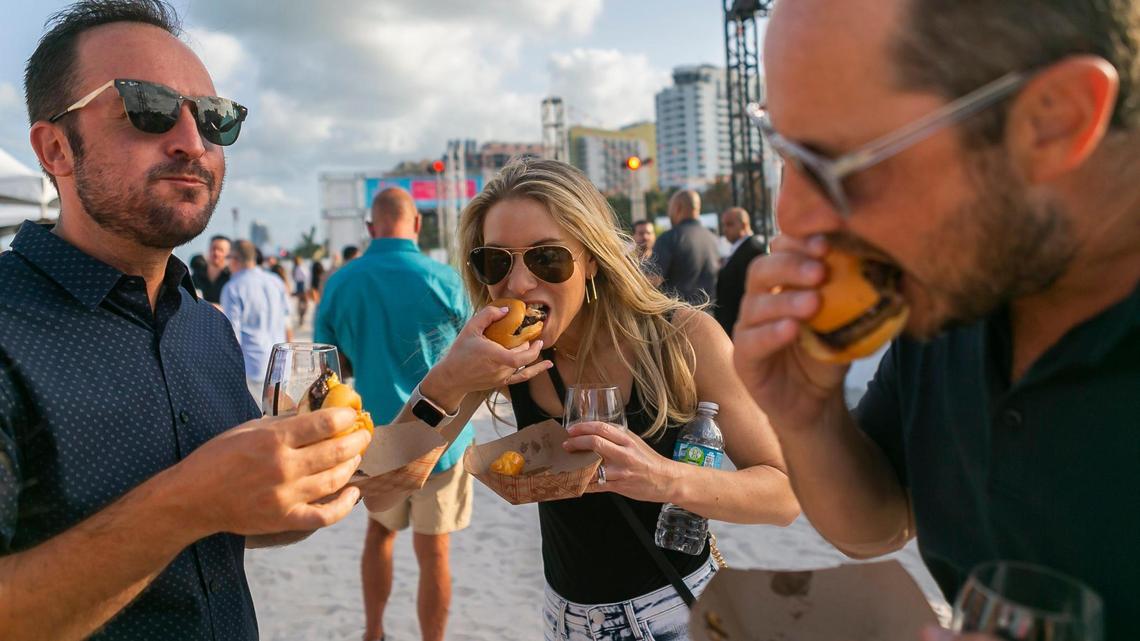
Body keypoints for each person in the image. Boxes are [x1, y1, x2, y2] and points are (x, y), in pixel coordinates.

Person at [733, 1, 1140, 640]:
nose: (793, 218)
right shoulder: (960, 274)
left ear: (1057, 120)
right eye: (784, 154)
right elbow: (883, 521)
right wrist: (808, 418)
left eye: (838, 166)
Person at [0, 2, 370, 640]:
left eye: (213, 118)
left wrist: (434, 409)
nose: (192, 142)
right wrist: (184, 504)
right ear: (56, 147)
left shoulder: (205, 328)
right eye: (147, 108)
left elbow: (236, 518)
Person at [408, 158, 797, 641]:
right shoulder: (500, 356)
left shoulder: (684, 339)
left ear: (591, 258)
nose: (520, 283)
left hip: (677, 615)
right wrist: (446, 380)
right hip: (563, 620)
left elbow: (784, 494)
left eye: (547, 258)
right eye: (496, 261)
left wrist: (663, 478)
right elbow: (388, 479)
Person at [315, 187, 475, 641]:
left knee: (378, 536)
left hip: (377, 438)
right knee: (434, 553)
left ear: (370, 228)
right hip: (440, 439)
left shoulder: (342, 282)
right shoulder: (447, 280)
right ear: (418, 224)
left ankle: (374, 633)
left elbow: (331, 368)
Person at [220, 239, 292, 400]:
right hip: (281, 363)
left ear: (235, 259)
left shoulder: (233, 287)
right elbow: (287, 320)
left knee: (258, 421)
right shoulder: (276, 281)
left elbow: (232, 333)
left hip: (252, 364)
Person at [647, 190, 720, 306]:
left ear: (677, 208)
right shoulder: (714, 240)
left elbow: (651, 280)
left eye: (669, 208)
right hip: (709, 317)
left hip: (678, 317)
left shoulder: (669, 238)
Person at [713, 207, 765, 337]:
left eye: (730, 224)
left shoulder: (753, 249)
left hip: (743, 327)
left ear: (744, 224)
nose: (725, 229)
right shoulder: (740, 248)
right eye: (723, 225)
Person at [192, 233, 230, 304]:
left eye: (220, 250)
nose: (216, 253)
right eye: (213, 248)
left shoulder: (232, 277)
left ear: (228, 253)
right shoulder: (197, 274)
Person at [291, 254, 309, 324]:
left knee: (300, 302)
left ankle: (301, 316)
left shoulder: (295, 268)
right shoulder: (300, 267)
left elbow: (294, 278)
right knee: (305, 303)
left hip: (298, 285)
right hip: (302, 285)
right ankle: (302, 316)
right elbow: (306, 276)